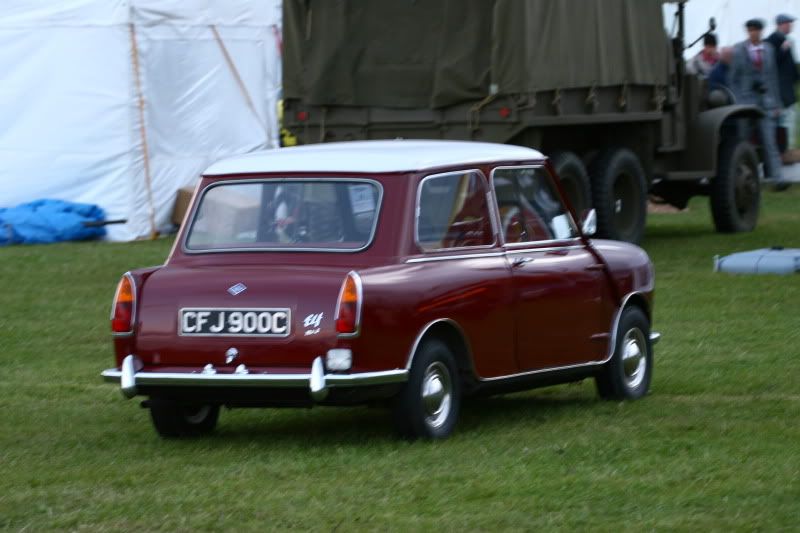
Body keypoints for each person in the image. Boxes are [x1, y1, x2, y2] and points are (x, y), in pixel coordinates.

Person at [729, 19, 789, 190]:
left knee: (770, 141)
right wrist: (737, 100)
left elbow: (773, 77)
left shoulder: (769, 49)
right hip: (745, 104)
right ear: (747, 32)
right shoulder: (739, 49)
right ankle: (742, 178)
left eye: (756, 30)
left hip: (767, 103)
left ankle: (777, 179)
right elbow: (733, 79)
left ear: (761, 31)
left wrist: (777, 103)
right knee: (743, 141)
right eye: (750, 30)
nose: (753, 33)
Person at [766, 14, 799, 158]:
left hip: (786, 90)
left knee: (788, 119)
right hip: (780, 91)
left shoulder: (785, 40)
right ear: (781, 24)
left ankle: (786, 150)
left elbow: (790, 67)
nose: (790, 25)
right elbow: (771, 64)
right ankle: (784, 151)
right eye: (788, 23)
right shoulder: (773, 40)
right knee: (784, 121)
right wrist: (783, 49)